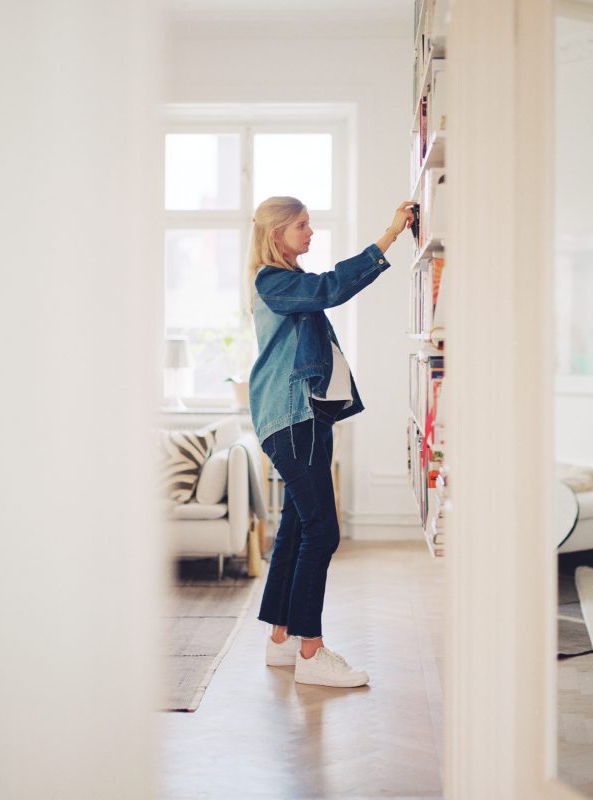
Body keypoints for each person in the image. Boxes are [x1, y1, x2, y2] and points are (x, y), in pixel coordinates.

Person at [246, 196, 415, 688]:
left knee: (298, 525)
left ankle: (282, 640)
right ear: (276, 234)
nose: (310, 232)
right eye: (301, 225)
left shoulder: (287, 282)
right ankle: (311, 651)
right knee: (323, 531)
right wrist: (389, 236)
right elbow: (331, 287)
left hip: (307, 418)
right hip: (292, 419)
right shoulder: (273, 281)